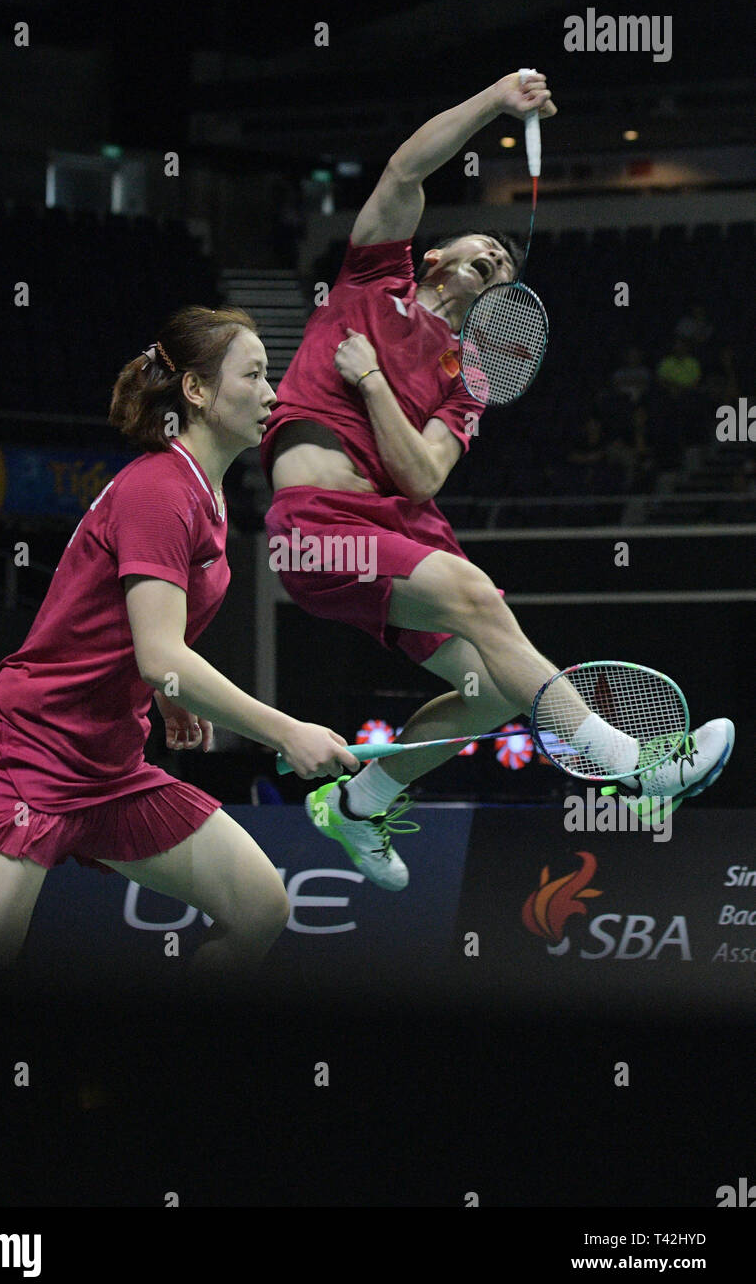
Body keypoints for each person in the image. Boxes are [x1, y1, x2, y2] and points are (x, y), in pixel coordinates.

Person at [259, 69, 734, 891]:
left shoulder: (467, 379)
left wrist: (371, 384)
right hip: (318, 527)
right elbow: (406, 170)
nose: (492, 264)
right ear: (433, 255)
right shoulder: (369, 284)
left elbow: (419, 473)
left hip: (396, 530)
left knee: (488, 690)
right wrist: (495, 101)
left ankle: (362, 801)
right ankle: (634, 764)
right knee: (479, 600)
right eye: (481, 251)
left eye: (503, 273)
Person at [0, 308, 360, 973]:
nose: (272, 393)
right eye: (253, 374)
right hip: (27, 754)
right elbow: (163, 655)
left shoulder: (204, 496)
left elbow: (146, 642)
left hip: (109, 768)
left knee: (259, 908)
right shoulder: (162, 489)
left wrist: (161, 692)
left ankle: (166, 1065)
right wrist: (283, 731)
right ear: (195, 390)